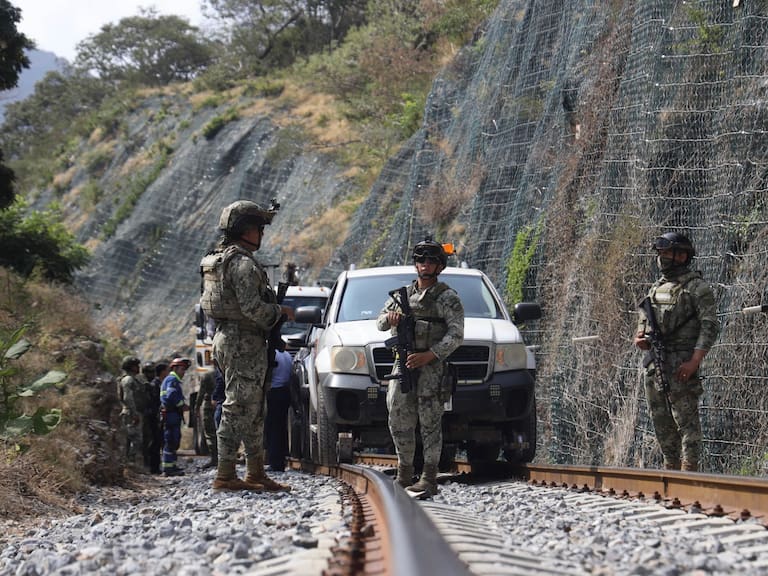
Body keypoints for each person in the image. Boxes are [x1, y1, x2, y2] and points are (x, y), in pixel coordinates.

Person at [199, 200, 295, 492]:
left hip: (235, 339)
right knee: (237, 406)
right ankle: (225, 474)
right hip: (243, 341)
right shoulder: (241, 264)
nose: (261, 234)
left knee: (254, 409)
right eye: (257, 228)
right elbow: (252, 307)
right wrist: (280, 313)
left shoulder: (221, 258)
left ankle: (255, 472)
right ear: (244, 230)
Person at [376, 239, 464, 497]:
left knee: (430, 423)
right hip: (402, 364)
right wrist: (390, 318)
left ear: (440, 265)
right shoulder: (402, 295)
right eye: (421, 260)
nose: (425, 265)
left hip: (431, 370)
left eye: (431, 261)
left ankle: (428, 477)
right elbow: (380, 323)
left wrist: (430, 355)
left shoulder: (447, 298)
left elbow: (456, 334)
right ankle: (404, 473)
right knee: (398, 419)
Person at [634, 232, 720, 472]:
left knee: (686, 421)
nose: (661, 258)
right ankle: (671, 470)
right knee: (660, 420)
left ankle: (689, 471)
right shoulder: (657, 287)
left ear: (682, 256)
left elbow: (709, 325)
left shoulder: (696, 287)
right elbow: (645, 316)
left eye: (667, 252)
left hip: (681, 363)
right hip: (656, 363)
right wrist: (640, 336)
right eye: (660, 253)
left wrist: (695, 361)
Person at [160, 357, 191, 476]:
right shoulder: (172, 380)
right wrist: (182, 405)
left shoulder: (170, 379)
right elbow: (171, 395)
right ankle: (168, 469)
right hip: (171, 414)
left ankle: (171, 466)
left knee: (173, 440)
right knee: (171, 440)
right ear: (175, 368)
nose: (184, 373)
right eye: (182, 369)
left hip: (171, 414)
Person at [265, 340, 293, 472]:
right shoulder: (287, 355)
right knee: (281, 428)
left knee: (272, 429)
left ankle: (275, 462)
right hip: (285, 392)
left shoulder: (271, 354)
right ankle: (280, 460)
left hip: (273, 393)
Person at [117, 355, 147, 469]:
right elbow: (127, 398)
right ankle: (130, 464)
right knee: (134, 439)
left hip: (133, 412)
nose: (138, 367)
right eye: (136, 366)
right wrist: (134, 413)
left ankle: (130, 463)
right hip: (131, 413)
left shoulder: (132, 379)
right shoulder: (128, 380)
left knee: (133, 439)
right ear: (132, 367)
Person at [145, 361, 168, 474]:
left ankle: (156, 466)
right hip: (154, 416)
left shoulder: (158, 383)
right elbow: (154, 402)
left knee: (158, 441)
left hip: (156, 415)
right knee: (155, 442)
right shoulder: (155, 384)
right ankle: (153, 467)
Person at [195, 366, 219, 469]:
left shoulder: (207, 375)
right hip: (223, 403)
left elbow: (201, 393)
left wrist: (197, 407)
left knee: (210, 433)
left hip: (209, 405)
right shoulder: (226, 374)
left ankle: (214, 459)